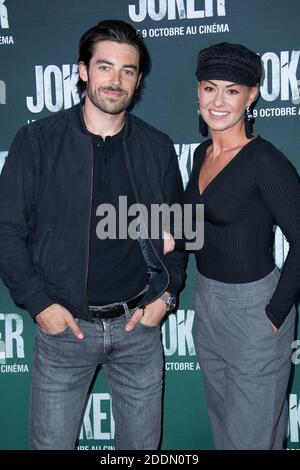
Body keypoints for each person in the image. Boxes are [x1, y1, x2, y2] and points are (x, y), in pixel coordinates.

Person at [0, 20, 186, 450]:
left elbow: (178, 229)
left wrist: (167, 296)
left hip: (138, 329)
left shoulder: (156, 147)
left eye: (127, 70)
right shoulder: (37, 142)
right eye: (105, 67)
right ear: (83, 70)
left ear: (138, 80)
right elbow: (6, 231)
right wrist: (40, 303)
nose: (115, 81)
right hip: (65, 331)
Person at [183, 42, 300, 449]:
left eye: (232, 90)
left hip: (254, 311)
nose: (218, 101)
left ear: (251, 96)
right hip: (208, 304)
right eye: (209, 88)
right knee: (225, 431)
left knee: (250, 438)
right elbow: (185, 228)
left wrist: (274, 313)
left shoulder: (264, 161)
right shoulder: (200, 154)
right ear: (197, 91)